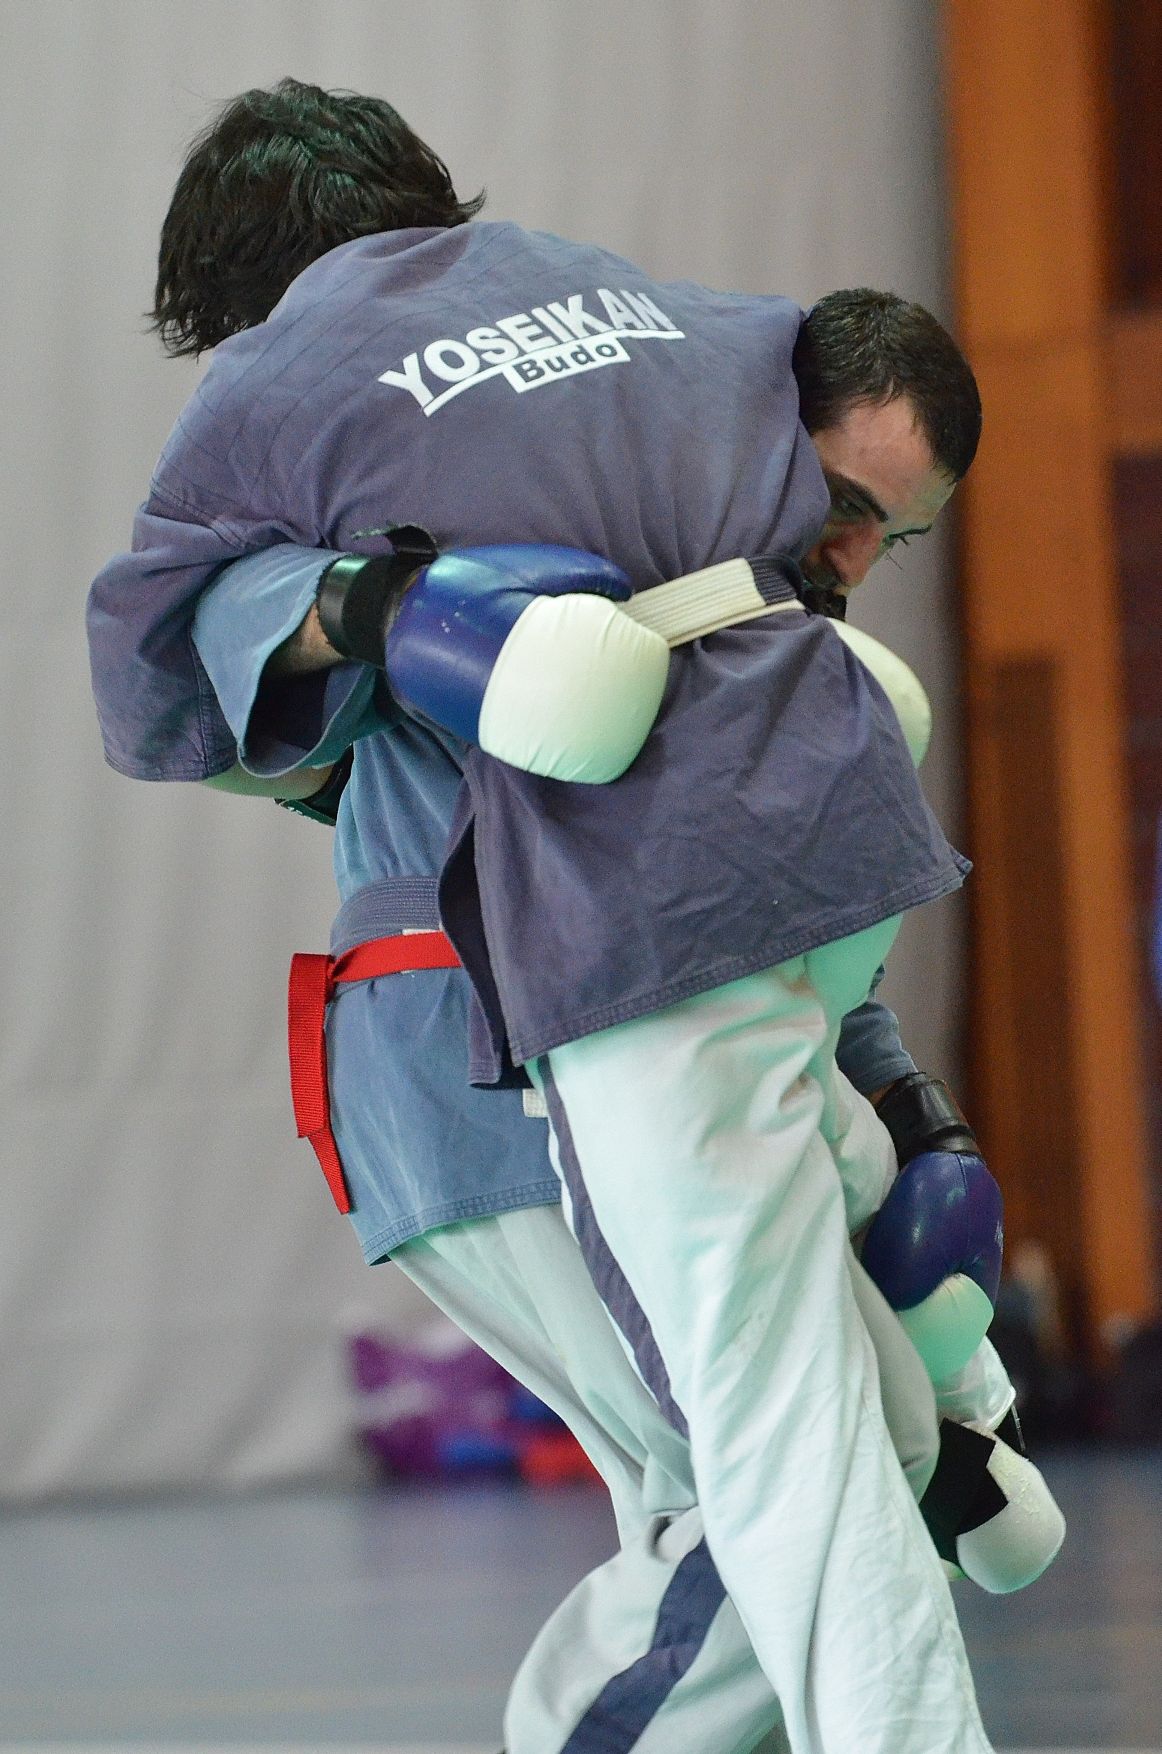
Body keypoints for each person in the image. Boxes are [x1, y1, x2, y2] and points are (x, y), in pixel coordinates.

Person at [86, 80, 1062, 1753]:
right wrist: (369, 606)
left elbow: (165, 695)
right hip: (493, 1043)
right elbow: (183, 683)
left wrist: (896, 1094)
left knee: (806, 1469)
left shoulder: (361, 437)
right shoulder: (631, 351)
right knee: (756, 1484)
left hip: (601, 990)